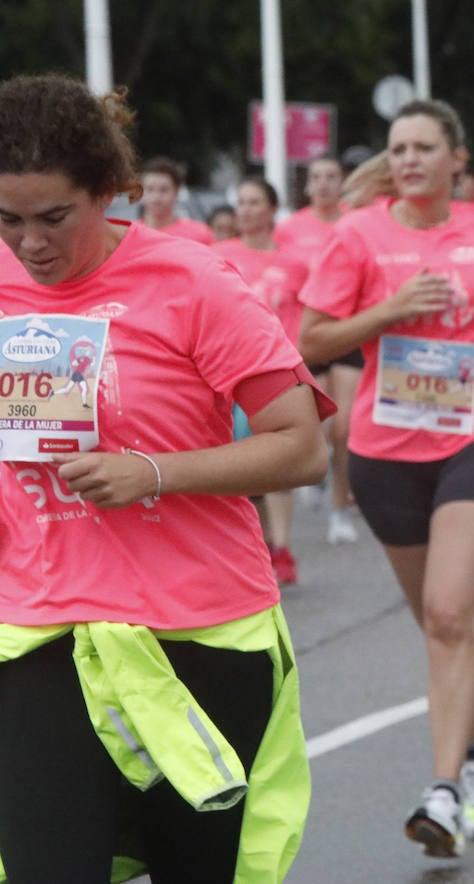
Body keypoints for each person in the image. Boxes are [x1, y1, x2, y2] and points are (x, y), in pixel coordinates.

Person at [0, 73, 333, 883]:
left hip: (198, 632)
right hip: (42, 628)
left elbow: (301, 447)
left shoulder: (191, 282)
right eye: (7, 220)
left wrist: (153, 472)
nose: (30, 244)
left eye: (53, 218)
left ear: (108, 193)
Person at [297, 99, 474, 860]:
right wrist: (388, 310)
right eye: (399, 148)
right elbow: (310, 336)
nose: (410, 159)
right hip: (385, 449)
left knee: (450, 612)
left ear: (456, 157)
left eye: (424, 147)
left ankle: (442, 791)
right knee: (437, 625)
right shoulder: (359, 236)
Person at [216, 178, 312, 583]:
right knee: (244, 465)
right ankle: (255, 544)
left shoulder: (295, 263)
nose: (247, 209)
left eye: (255, 202)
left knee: (281, 459)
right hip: (229, 375)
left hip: (280, 374)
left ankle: (281, 547)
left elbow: (310, 315)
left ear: (272, 210)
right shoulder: (217, 256)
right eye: (241, 202)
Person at [275, 155, 363, 545]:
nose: (324, 183)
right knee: (318, 423)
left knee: (344, 428)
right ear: (307, 185)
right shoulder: (289, 229)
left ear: (342, 182)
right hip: (305, 335)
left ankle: (340, 509)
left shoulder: (354, 222)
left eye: (331, 176)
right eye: (316, 177)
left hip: (348, 331)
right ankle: (318, 468)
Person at [136, 156, 213, 244]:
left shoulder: (200, 234)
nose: (156, 197)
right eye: (150, 189)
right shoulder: (127, 235)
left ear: (176, 192)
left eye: (164, 190)